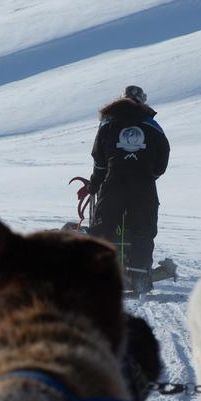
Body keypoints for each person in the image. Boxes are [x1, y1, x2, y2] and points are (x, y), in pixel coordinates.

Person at [88, 85, 169, 295]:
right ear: (143, 103)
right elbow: (163, 158)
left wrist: (95, 183)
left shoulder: (107, 124)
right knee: (143, 230)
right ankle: (139, 276)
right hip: (144, 186)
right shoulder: (152, 125)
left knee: (103, 228)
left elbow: (99, 159)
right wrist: (150, 176)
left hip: (113, 183)